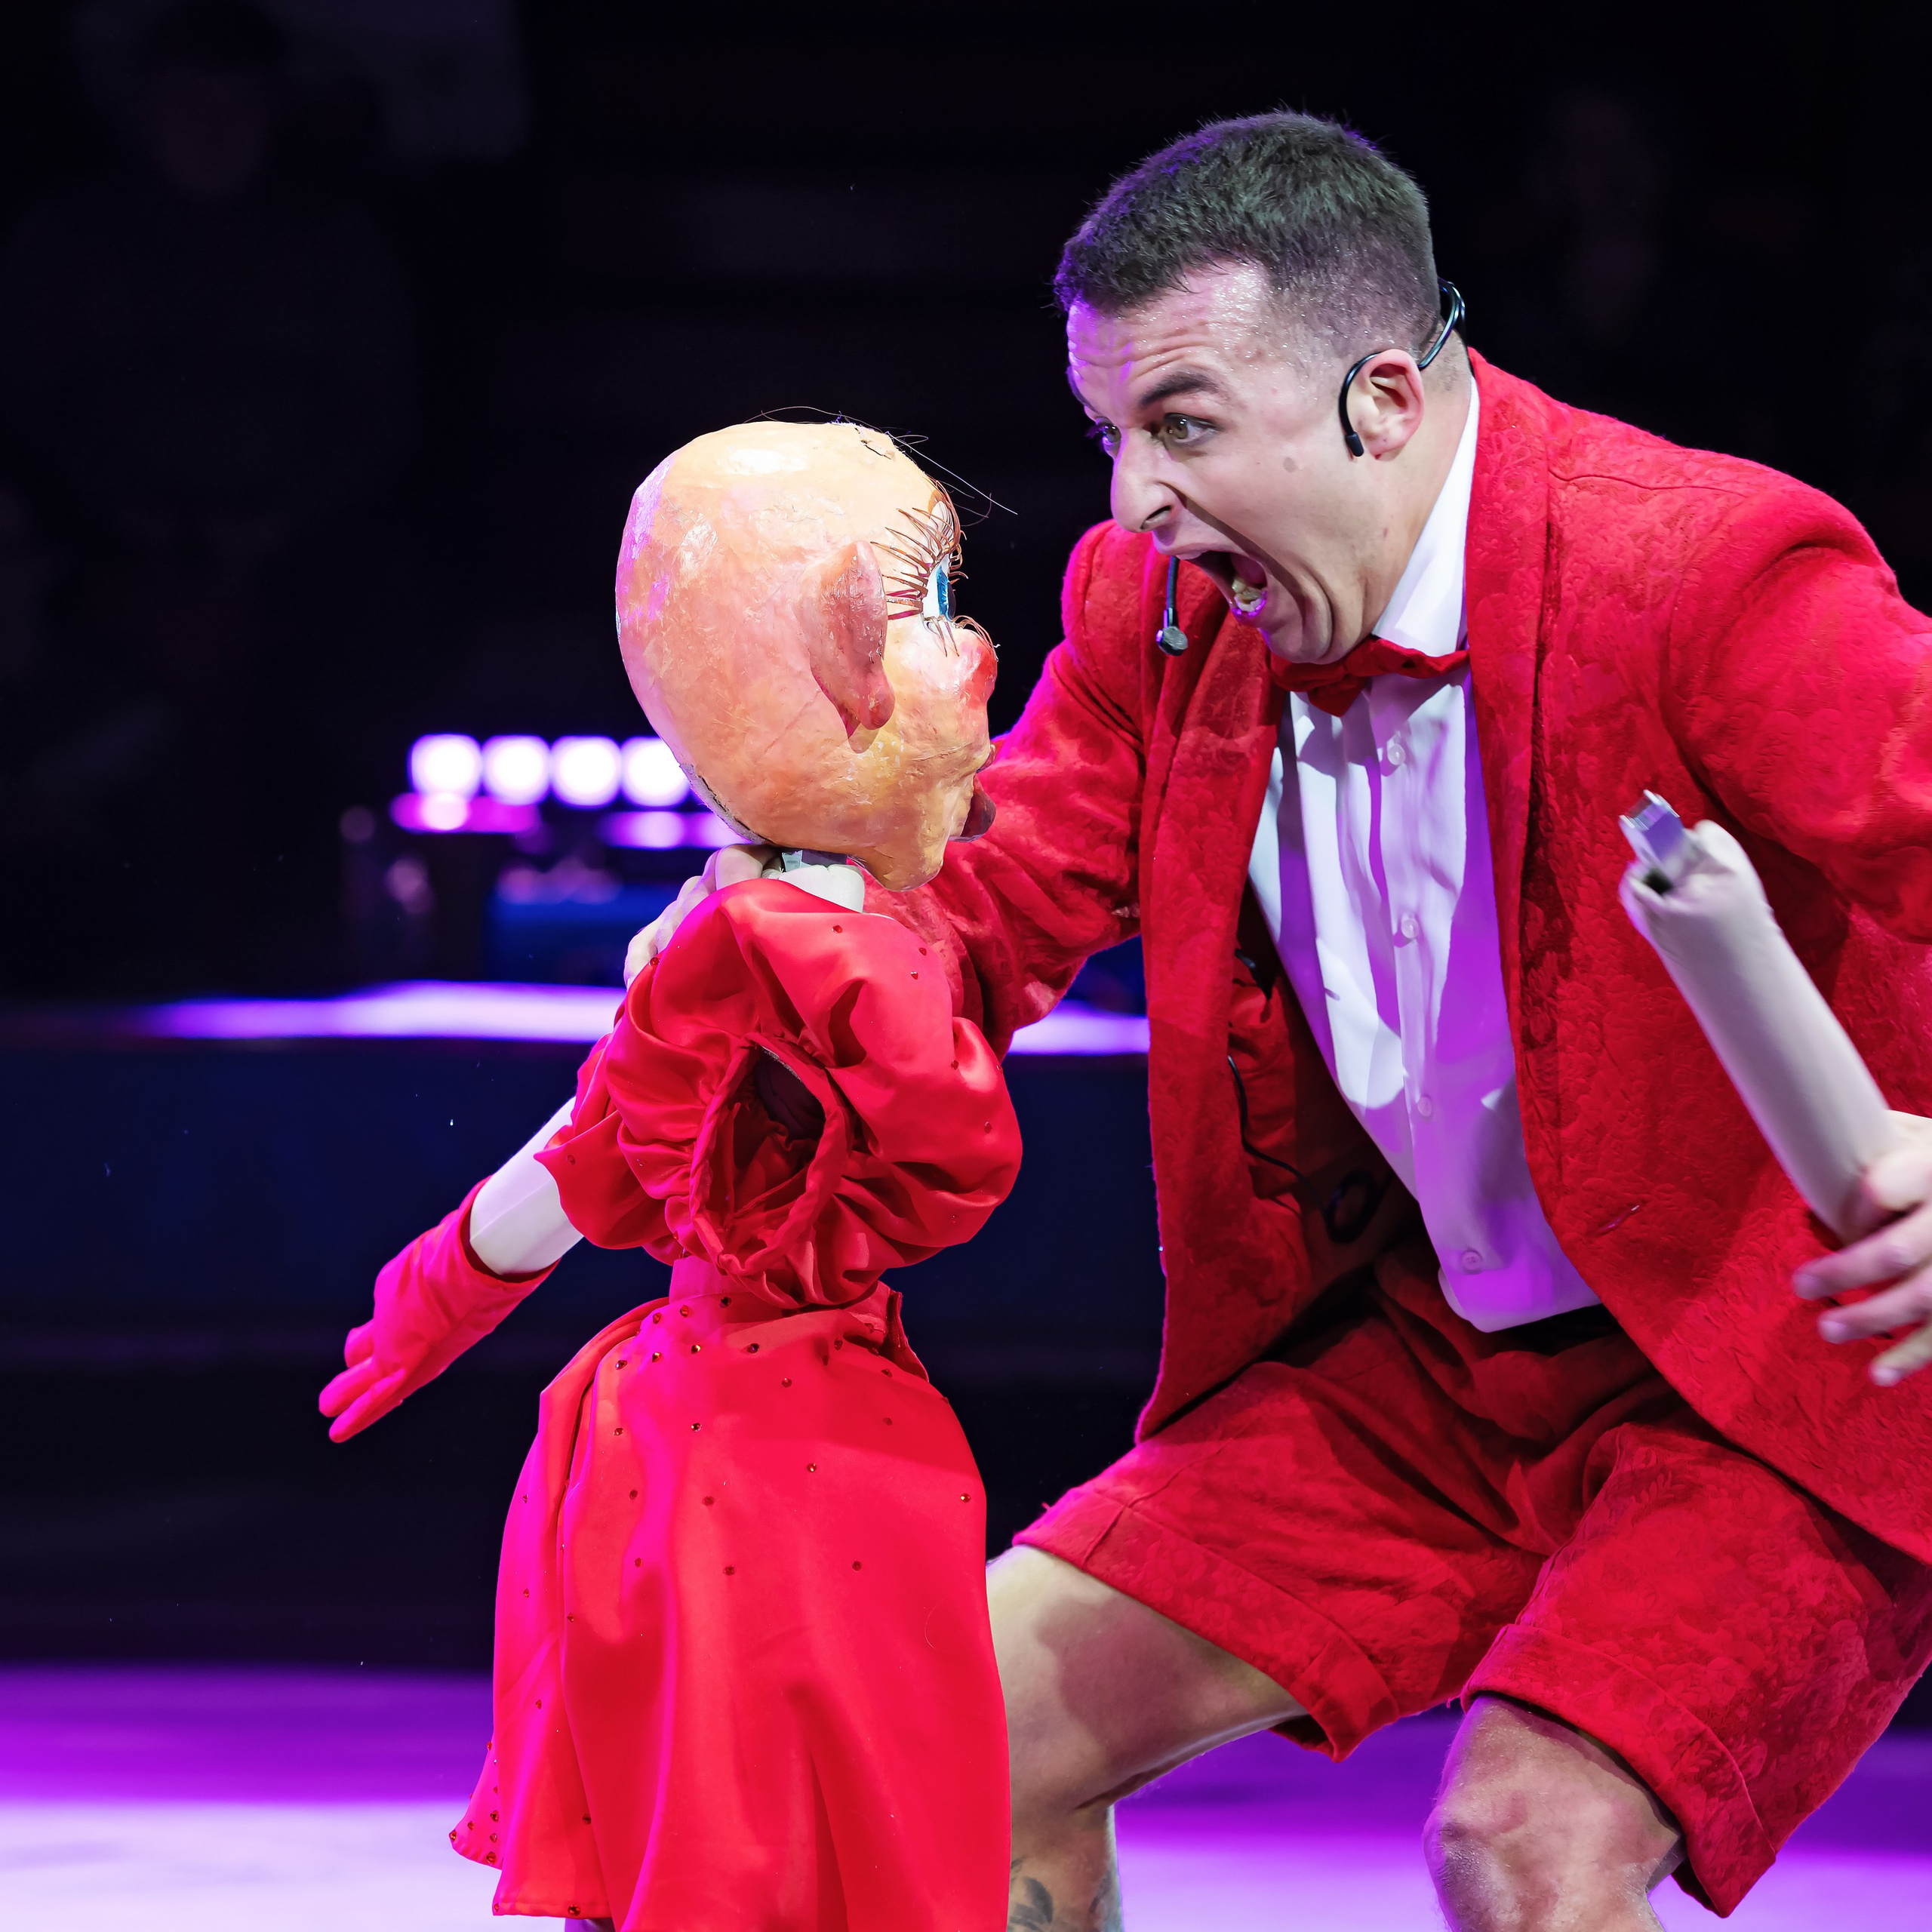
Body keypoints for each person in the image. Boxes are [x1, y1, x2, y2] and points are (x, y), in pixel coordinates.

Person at [640, 115, 1932, 1929]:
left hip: (1763, 1360)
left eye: (1179, 426)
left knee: (1523, 1847)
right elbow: (985, 923)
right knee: (933, 1736)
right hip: (1425, 1361)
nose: (1129, 504)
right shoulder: (1157, 610)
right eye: (1108, 436)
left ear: (1382, 401)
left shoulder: (1706, 576)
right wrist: (775, 935)